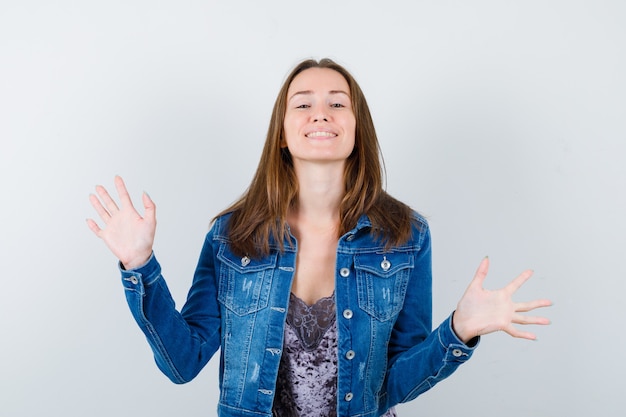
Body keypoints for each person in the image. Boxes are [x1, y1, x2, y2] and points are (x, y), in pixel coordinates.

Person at [86, 58, 552, 417]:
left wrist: (459, 331)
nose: (320, 113)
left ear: (356, 128)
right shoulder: (232, 236)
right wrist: (139, 266)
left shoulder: (405, 235)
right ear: (284, 134)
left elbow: (392, 383)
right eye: (303, 102)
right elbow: (181, 363)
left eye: (337, 102)